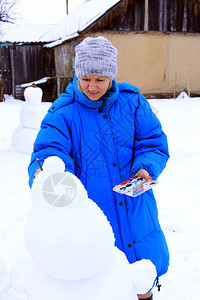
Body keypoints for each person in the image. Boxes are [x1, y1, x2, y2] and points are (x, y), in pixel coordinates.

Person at [28, 36, 170, 300]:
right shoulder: (63, 112)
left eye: (100, 79)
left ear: (112, 77)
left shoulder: (132, 102)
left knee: (142, 275)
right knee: (103, 283)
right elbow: (49, 150)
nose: (92, 86)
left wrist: (144, 169)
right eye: (86, 78)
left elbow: (152, 142)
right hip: (95, 216)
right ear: (77, 75)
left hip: (136, 210)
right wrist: (48, 175)